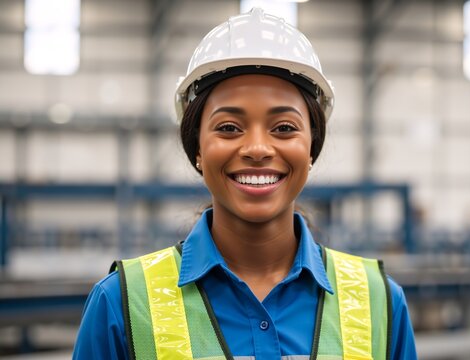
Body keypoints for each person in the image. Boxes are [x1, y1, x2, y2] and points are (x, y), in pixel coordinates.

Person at [73, 8, 417, 359]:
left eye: (284, 128)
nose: (256, 149)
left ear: (311, 148)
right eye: (228, 128)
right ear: (198, 150)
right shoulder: (122, 306)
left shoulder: (380, 306)